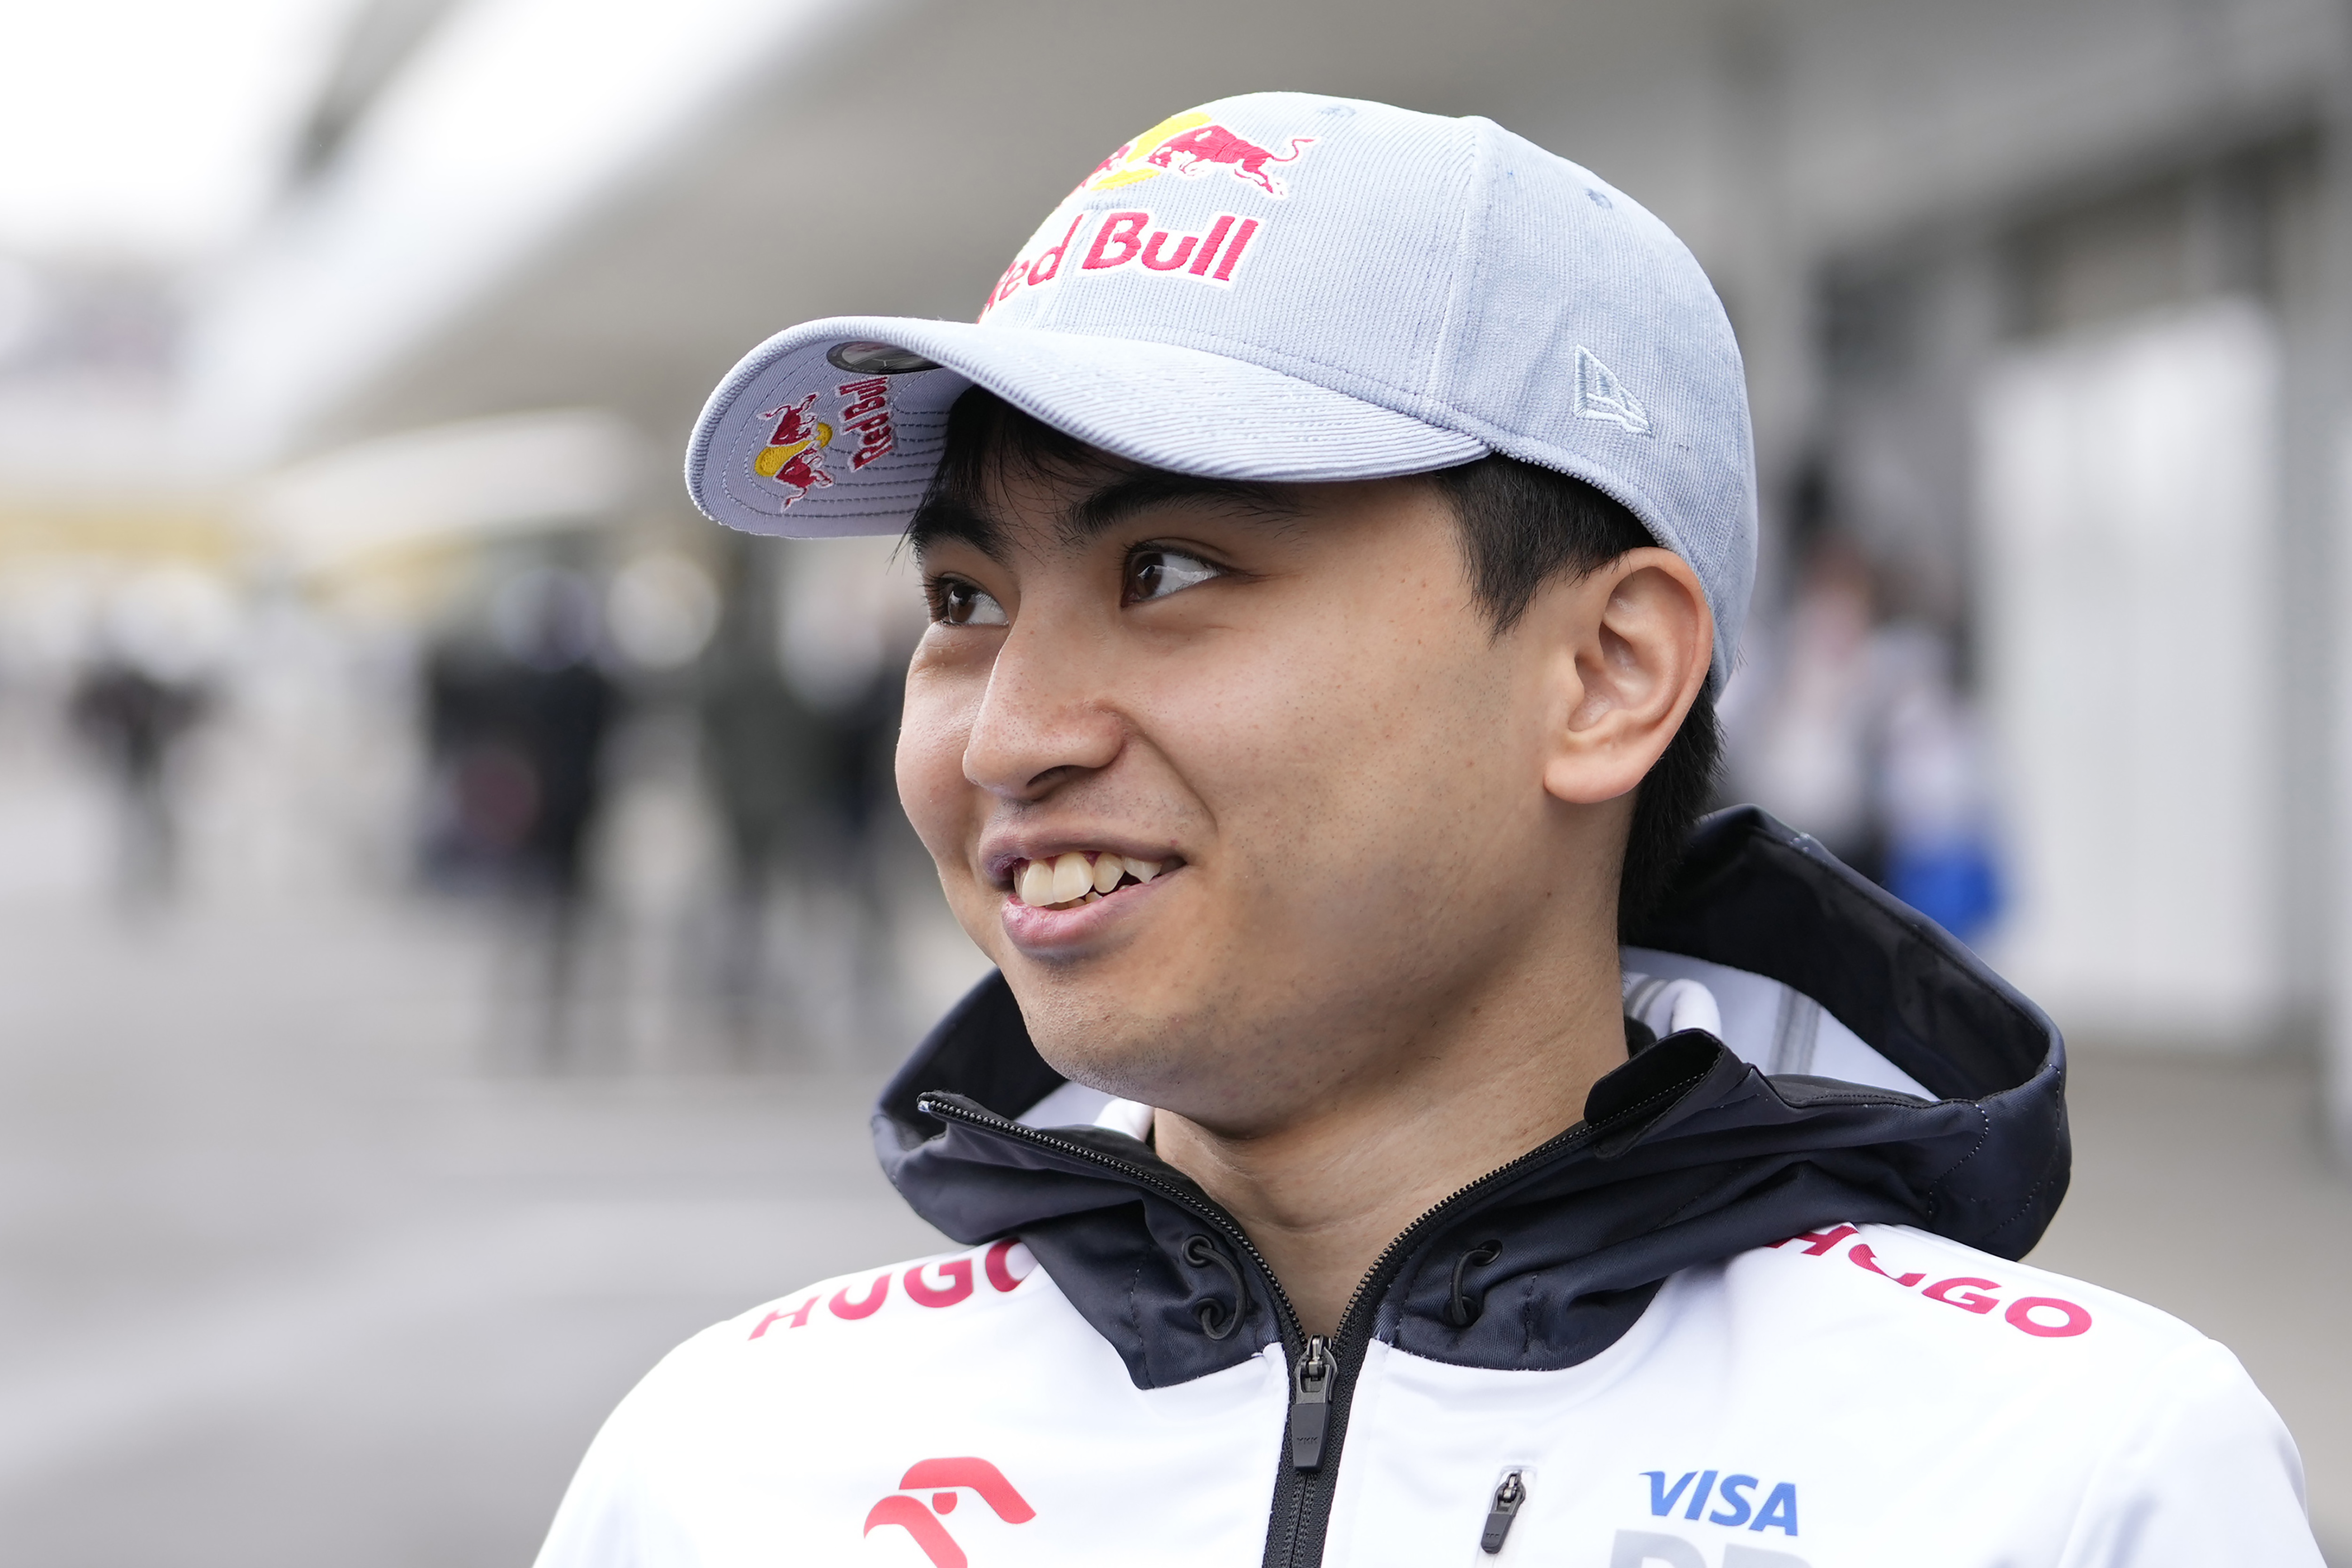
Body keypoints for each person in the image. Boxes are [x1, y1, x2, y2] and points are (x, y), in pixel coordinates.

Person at [535, 94, 2320, 1566]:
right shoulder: (727, 1468)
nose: (1005, 734)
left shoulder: (2068, 1481)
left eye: (1170, 570)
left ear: (1610, 674)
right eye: (963, 594)